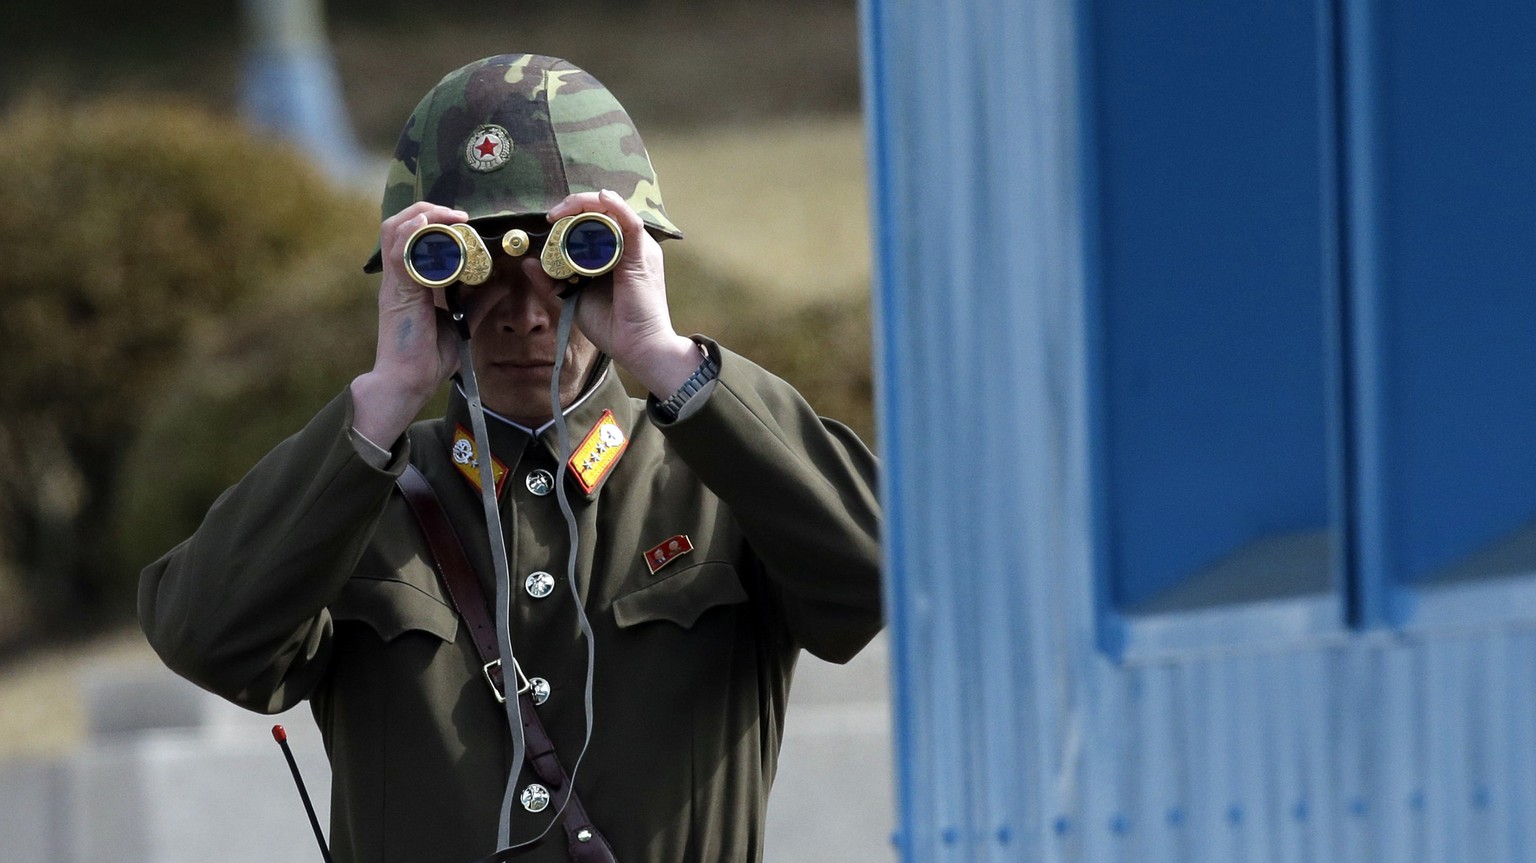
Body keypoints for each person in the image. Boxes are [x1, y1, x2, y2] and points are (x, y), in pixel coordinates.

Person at [138, 54, 882, 863]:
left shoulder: (717, 484)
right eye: (474, 263)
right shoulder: (362, 504)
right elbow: (205, 637)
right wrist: (387, 393)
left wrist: (666, 357)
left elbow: (878, 572)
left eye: (570, 260)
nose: (524, 314)